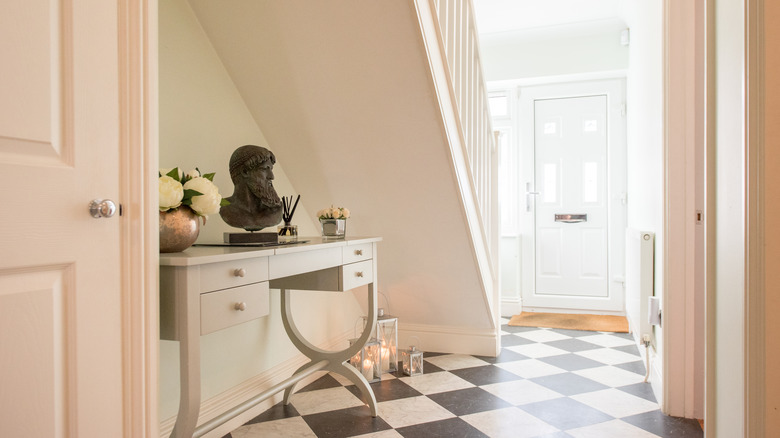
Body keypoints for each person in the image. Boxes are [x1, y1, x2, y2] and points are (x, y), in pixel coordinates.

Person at [219, 145, 283, 231]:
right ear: (245, 172)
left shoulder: (275, 210)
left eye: (271, 169)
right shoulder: (224, 207)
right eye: (264, 169)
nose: (271, 176)